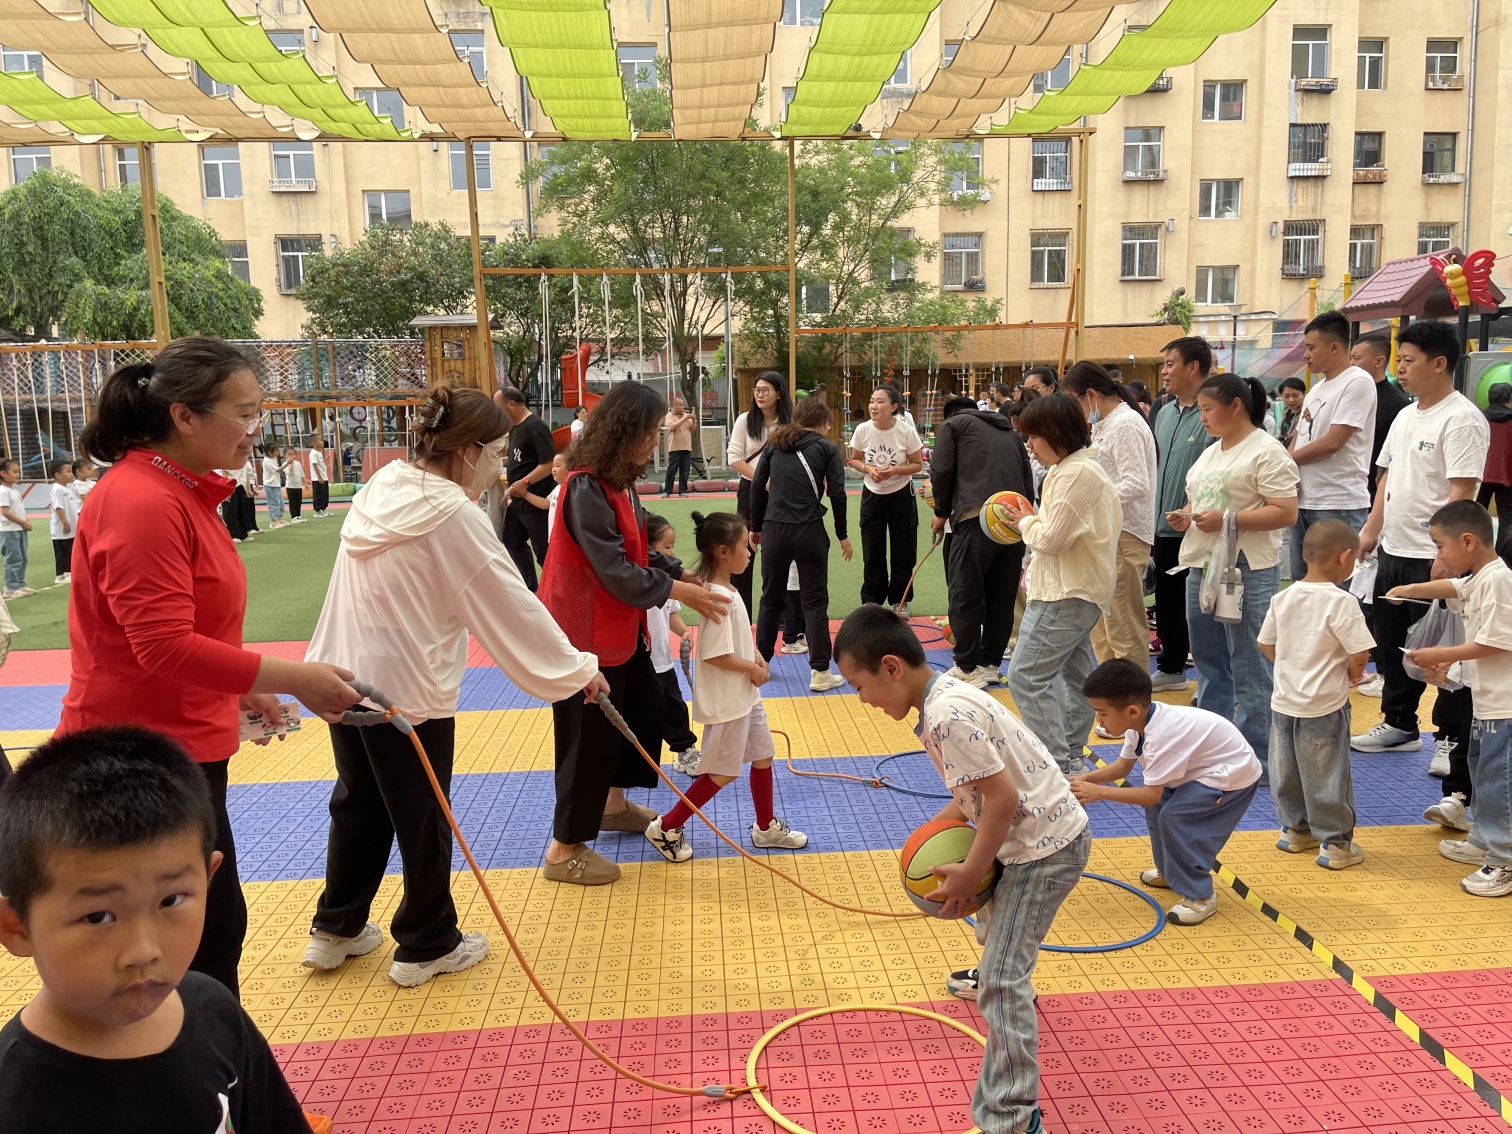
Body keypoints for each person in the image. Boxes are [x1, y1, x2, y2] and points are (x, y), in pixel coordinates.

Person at [57, 336, 359, 995]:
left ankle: (207, 1088)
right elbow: (161, 645)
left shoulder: (180, 492)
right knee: (183, 949)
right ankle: (194, 1091)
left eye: (259, 412)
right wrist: (291, 676)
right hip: (136, 760)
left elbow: (190, 630)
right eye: (244, 413)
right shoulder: (142, 500)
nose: (256, 429)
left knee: (207, 934)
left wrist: (240, 690)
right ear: (185, 417)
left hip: (182, 747)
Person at [303, 384, 608, 986]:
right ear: (466, 449)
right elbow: (508, 602)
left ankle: (336, 927)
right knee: (421, 812)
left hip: (342, 675)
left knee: (359, 800)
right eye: (495, 452)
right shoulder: (452, 515)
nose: (500, 466)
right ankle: (427, 941)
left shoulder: (383, 486)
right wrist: (577, 670)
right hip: (405, 689)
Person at [833, 605, 1089, 1134]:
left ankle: (1012, 1117)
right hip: (1031, 834)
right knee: (997, 936)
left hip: (1045, 848)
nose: (862, 701)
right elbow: (972, 794)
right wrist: (926, 838)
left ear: (890, 668)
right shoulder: (944, 692)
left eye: (859, 687)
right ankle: (1006, 970)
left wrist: (973, 872)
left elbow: (999, 799)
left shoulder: (946, 716)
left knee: (1000, 980)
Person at [0, 727, 312, 1132]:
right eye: (98, 917)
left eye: (171, 900)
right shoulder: (15, 1101)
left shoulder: (215, 1011)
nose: (144, 951)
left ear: (208, 880)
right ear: (17, 927)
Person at [538, 381, 730, 886]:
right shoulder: (584, 484)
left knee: (639, 710)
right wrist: (678, 591)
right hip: (584, 628)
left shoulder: (616, 479)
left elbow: (639, 544)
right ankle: (563, 849)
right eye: (651, 430)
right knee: (588, 736)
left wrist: (683, 576)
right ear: (625, 431)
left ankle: (612, 805)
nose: (658, 439)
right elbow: (615, 568)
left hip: (618, 624)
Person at [1355, 322, 1487, 779]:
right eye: (1400, 359)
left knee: (1444, 647)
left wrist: (1448, 553)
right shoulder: (1406, 415)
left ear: (1440, 363)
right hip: (1393, 548)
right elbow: (1386, 477)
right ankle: (1398, 723)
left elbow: (1463, 490)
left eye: (1409, 360)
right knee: (1393, 643)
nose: (1400, 368)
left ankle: (1449, 737)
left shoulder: (1462, 418)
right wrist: (1371, 529)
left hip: (1435, 556)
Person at [644, 511, 806, 861]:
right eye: (744, 546)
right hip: (729, 701)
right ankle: (666, 826)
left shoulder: (726, 590)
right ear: (722, 552)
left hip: (745, 695)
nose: (750, 552)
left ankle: (765, 828)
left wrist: (757, 657)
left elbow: (734, 642)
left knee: (763, 756)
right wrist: (750, 666)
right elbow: (715, 654)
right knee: (720, 772)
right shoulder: (719, 596)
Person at [1167, 373, 1298, 779]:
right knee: (1208, 660)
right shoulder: (1211, 452)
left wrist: (1228, 518)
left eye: (1207, 409)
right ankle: (1213, 745)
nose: (1202, 417)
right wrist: (1186, 515)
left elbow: (1286, 511)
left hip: (1244, 568)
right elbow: (1199, 499)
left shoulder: (1266, 451)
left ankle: (1257, 756)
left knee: (1248, 664)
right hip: (1204, 564)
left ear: (1235, 406)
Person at [1073, 659, 1262, 925]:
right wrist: (1083, 778)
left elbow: (1149, 793)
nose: (1098, 719)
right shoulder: (1138, 723)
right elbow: (1122, 767)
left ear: (1131, 711)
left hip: (1232, 775)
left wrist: (1099, 793)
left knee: (1176, 817)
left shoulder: (1163, 735)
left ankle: (1200, 896)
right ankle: (1171, 872)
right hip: (1201, 770)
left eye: (1102, 713)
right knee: (1159, 807)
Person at [1389, 500, 1512, 898]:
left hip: (1505, 705)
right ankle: (1483, 839)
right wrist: (1410, 588)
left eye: (1440, 546)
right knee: (1479, 769)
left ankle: (1504, 859)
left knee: (1498, 780)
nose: (1437, 556)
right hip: (1487, 701)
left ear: (1468, 541)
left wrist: (1438, 655)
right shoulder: (1480, 577)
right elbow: (1454, 587)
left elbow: (1493, 643)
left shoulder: (1498, 580)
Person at [1000, 395, 1122, 772]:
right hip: (1067, 588)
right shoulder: (1069, 469)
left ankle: (1058, 762)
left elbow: (1051, 539)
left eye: (1033, 436)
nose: (1029, 446)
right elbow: (1054, 531)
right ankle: (1069, 754)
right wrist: (1033, 521)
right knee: (1077, 676)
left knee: (1026, 675)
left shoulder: (1076, 473)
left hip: (1067, 593)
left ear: (1055, 433)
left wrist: (1024, 521)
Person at [1257, 520, 1375, 869]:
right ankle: (1335, 843)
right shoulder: (1342, 602)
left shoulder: (1283, 597)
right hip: (1324, 704)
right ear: (1345, 557)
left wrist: (1290, 666)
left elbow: (1265, 643)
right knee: (1327, 772)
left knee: (1287, 768)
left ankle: (1296, 830)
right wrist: (1353, 674)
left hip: (1284, 701)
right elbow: (1358, 655)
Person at [929, 395, 1035, 688]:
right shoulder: (1010, 433)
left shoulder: (952, 426)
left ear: (949, 415)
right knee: (1002, 595)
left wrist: (940, 511)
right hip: (1015, 520)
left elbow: (941, 469)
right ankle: (990, 664)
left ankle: (965, 667)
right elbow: (1027, 480)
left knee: (966, 591)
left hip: (975, 517)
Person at [749, 394, 852, 692]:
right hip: (809, 530)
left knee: (771, 598)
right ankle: (820, 672)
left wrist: (756, 526)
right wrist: (842, 533)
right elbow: (838, 493)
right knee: (815, 601)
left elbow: (757, 485)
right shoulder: (826, 448)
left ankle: (761, 663)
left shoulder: (775, 443)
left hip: (775, 529)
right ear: (822, 423)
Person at [1063, 361, 1157, 667]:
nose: (1075, 409)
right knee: (1103, 632)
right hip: (1107, 536)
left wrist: (1090, 501)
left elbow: (1136, 482)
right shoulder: (1105, 424)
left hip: (1124, 535)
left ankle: (1132, 706)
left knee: (1124, 629)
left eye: (1074, 400)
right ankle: (1112, 706)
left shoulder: (1125, 424)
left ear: (1090, 394)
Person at [1150, 338, 1218, 693]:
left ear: (1194, 367)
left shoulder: (1212, 414)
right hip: (1162, 524)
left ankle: (1211, 680)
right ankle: (1172, 667)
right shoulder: (1163, 411)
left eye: (1171, 363)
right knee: (1167, 600)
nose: (1164, 371)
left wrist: (1193, 513)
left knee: (1201, 607)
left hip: (1199, 528)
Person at [1288, 311, 1377, 578]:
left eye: (1311, 347)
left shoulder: (1357, 381)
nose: (1306, 355)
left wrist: (1285, 461)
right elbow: (1300, 436)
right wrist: (1287, 470)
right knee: (1303, 583)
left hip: (1338, 501)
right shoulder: (1317, 388)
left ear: (1335, 347)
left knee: (1337, 588)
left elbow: (1333, 442)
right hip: (1304, 499)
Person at [1350, 332, 1412, 697]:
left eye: (1358, 357)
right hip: (1378, 514)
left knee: (1397, 611)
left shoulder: (1398, 405)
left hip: (1404, 526)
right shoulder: (1351, 395)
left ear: (1378, 361)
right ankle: (1382, 673)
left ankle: (1392, 677)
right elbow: (1383, 470)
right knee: (1374, 603)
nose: (1353, 364)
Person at [848, 385, 923, 615]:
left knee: (903, 551)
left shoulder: (906, 431)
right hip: (873, 495)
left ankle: (900, 602)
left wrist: (895, 471)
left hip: (901, 494)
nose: (873, 406)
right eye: (872, 401)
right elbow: (855, 460)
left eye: (880, 401)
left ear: (893, 407)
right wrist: (869, 469)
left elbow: (918, 464)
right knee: (873, 550)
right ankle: (872, 599)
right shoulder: (862, 429)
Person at [727, 372, 794, 615]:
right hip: (750, 492)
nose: (760, 394)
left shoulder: (790, 423)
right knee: (744, 550)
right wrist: (761, 479)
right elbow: (733, 457)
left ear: (779, 393)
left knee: (779, 552)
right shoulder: (745, 420)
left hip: (782, 494)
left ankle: (783, 616)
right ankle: (741, 613)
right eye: (757, 390)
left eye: (766, 390)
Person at [645, 513, 701, 776]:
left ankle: (685, 751)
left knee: (674, 706)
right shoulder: (635, 581)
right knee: (640, 710)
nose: (672, 552)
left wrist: (684, 633)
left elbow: (671, 614)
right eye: (666, 547)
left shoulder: (668, 582)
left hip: (662, 661)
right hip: (640, 661)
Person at [497, 386, 557, 592]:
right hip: (519, 501)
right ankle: (530, 588)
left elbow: (549, 463)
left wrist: (525, 482)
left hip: (536, 499)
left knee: (543, 550)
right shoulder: (515, 428)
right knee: (511, 539)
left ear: (510, 405)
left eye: (499, 407)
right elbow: (520, 458)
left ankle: (556, 591)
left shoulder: (535, 427)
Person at [1479, 383, 1512, 569]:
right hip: (1508, 477)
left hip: (1479, 476)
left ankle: (1476, 557)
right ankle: (1504, 560)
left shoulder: (1479, 418)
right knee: (1508, 522)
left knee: (1475, 517)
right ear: (1509, 399)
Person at [0, 458, 32, 599]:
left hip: (19, 529)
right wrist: (22, 522)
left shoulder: (14, 491)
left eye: (18, 471)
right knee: (13, 559)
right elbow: (5, 512)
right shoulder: (3, 491)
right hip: (9, 531)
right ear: (3, 473)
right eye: (14, 472)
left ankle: (20, 584)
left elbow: (18, 509)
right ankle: (11, 587)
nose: (18, 474)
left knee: (22, 557)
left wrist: (26, 520)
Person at [47, 460, 78, 585]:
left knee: (70, 550)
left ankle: (69, 572)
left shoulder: (67, 489)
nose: (71, 474)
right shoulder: (57, 490)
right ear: (58, 475)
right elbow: (58, 508)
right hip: (62, 529)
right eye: (68, 471)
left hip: (71, 529)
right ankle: (61, 574)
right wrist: (65, 522)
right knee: (62, 551)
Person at [525, 451, 568, 536]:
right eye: (553, 466)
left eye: (558, 466)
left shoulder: (572, 489)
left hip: (564, 537)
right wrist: (524, 494)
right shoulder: (557, 488)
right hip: (553, 536)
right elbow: (544, 503)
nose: (554, 469)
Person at [661, 393, 694, 497]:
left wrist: (694, 419)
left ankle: (682, 491)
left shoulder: (685, 415)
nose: (682, 407)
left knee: (685, 470)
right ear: (673, 405)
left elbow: (692, 429)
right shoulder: (669, 416)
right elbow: (673, 427)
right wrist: (685, 418)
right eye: (679, 405)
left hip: (686, 446)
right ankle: (667, 491)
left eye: (682, 405)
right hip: (674, 447)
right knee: (672, 470)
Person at [258, 444, 286, 529]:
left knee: (280, 502)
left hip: (276, 484)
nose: (278, 453)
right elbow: (278, 470)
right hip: (270, 484)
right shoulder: (266, 461)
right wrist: (287, 463)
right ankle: (273, 521)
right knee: (273, 503)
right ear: (269, 452)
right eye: (276, 451)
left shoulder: (273, 459)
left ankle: (279, 518)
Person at [1275, 377, 1306, 449]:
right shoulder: (1286, 410)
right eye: (1286, 396)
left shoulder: (1306, 414)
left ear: (1303, 394)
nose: (1291, 400)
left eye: (1295, 396)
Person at [281, 444, 306, 523]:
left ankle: (298, 515)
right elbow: (290, 473)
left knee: (298, 502)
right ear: (284, 455)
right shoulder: (285, 464)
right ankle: (293, 517)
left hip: (298, 486)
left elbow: (302, 473)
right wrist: (290, 464)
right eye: (289, 454)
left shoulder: (298, 463)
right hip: (290, 487)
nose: (291, 456)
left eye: (293, 454)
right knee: (292, 502)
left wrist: (304, 482)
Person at [309, 435, 331, 517]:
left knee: (324, 494)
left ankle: (323, 508)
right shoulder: (313, 453)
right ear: (314, 443)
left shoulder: (319, 453)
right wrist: (319, 477)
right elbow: (315, 465)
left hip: (323, 476)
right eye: (320, 440)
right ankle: (317, 510)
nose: (322, 442)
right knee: (318, 494)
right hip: (317, 478)